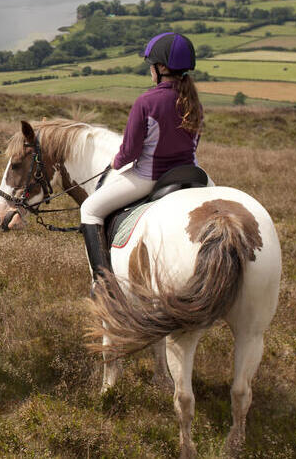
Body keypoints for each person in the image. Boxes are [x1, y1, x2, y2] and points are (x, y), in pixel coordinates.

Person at [80, 31, 204, 284]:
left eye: (151, 66)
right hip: (193, 173)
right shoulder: (194, 101)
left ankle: (103, 283)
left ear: (161, 68)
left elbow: (130, 152)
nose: (150, 71)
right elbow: (196, 141)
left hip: (151, 177)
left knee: (89, 209)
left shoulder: (146, 101)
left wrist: (116, 162)